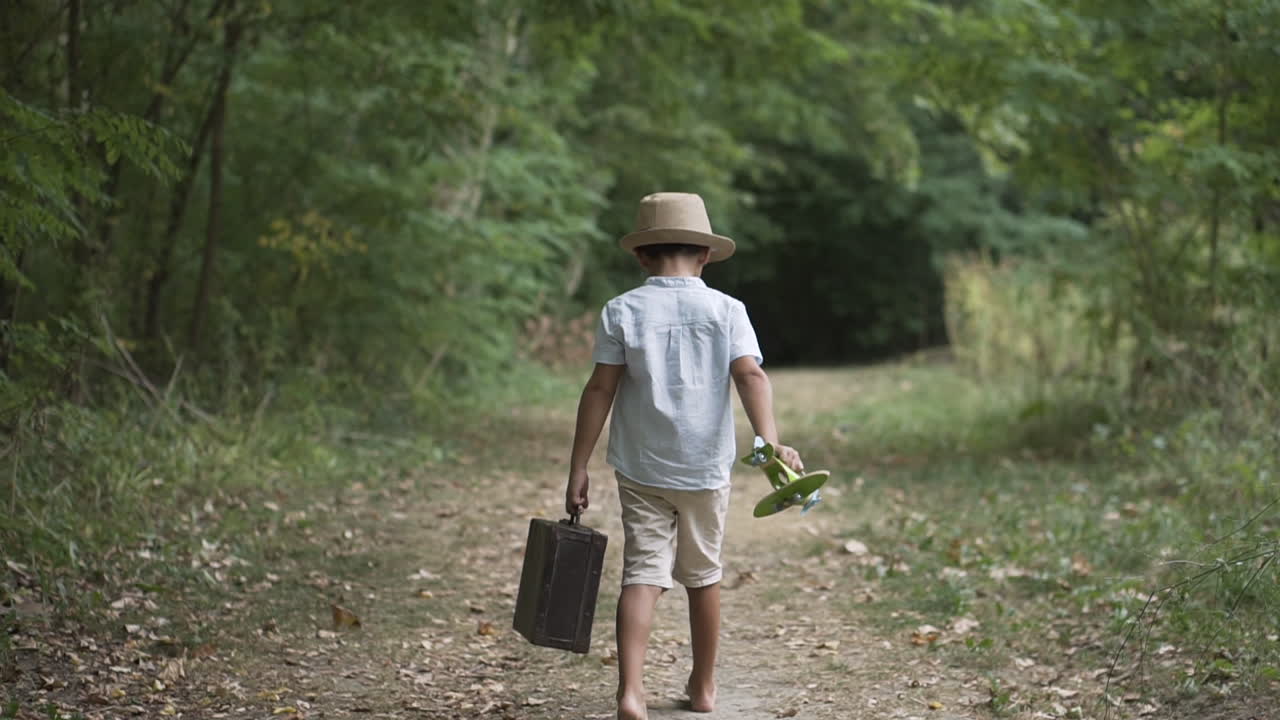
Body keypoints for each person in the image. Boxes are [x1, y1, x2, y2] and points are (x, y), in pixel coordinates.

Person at [564, 192, 804, 720]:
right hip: (704, 467)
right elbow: (750, 375)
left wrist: (579, 464)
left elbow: (600, 388)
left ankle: (631, 692)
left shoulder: (620, 310)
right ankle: (703, 688)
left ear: (642, 256)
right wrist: (768, 441)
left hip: (641, 465)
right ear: (705, 255)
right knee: (703, 576)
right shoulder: (727, 310)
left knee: (642, 574)